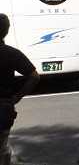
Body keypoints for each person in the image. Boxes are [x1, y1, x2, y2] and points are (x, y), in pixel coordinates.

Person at [0, 13, 40, 165]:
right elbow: (34, 77)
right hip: (4, 108)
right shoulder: (12, 53)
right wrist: (17, 97)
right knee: (2, 148)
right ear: (7, 30)